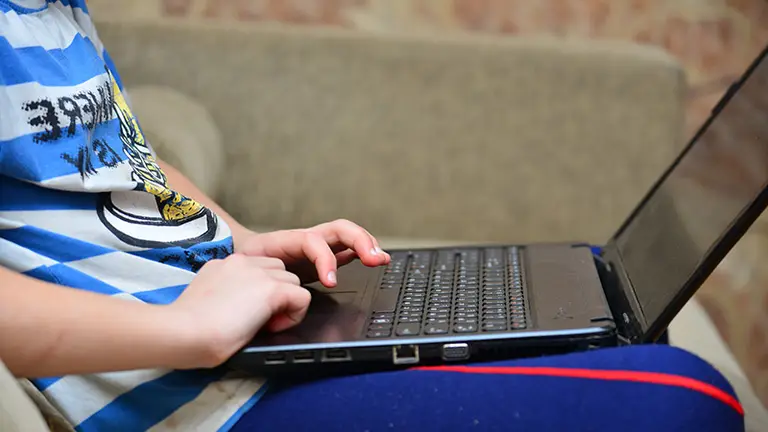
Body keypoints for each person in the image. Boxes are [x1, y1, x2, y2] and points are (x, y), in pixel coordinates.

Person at [0, 2, 746, 431]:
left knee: (591, 291)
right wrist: (186, 331)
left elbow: (123, 156)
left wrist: (245, 244)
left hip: (234, 336)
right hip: (185, 397)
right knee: (689, 398)